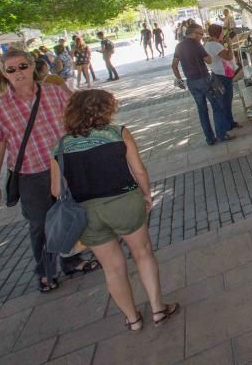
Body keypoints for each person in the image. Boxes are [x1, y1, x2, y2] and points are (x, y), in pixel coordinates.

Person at [51, 90, 179, 332]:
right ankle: (158, 309)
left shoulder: (60, 146)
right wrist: (146, 194)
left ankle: (133, 319)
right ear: (105, 109)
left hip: (87, 212)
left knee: (112, 267)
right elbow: (139, 170)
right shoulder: (117, 133)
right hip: (124, 202)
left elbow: (56, 188)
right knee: (143, 253)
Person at [0, 49, 98, 293]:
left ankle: (72, 260)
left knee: (70, 214)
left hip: (65, 167)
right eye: (11, 69)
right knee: (40, 225)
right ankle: (46, 271)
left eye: (22, 66)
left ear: (32, 66)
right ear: (4, 73)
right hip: (30, 175)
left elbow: (78, 122)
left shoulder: (55, 93)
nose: (18, 73)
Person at [171, 24, 231, 146]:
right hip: (204, 79)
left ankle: (209, 138)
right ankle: (221, 134)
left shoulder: (179, 46)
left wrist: (179, 79)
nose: (202, 36)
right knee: (217, 106)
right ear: (193, 34)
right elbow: (209, 60)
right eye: (200, 34)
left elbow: (174, 65)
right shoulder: (196, 44)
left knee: (202, 111)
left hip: (191, 82)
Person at [204, 24, 242, 132]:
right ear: (217, 33)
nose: (223, 35)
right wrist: (230, 45)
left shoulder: (210, 44)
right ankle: (228, 124)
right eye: (222, 32)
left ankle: (230, 122)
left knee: (226, 101)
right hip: (222, 75)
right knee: (226, 101)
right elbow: (228, 56)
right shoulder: (214, 45)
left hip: (219, 73)